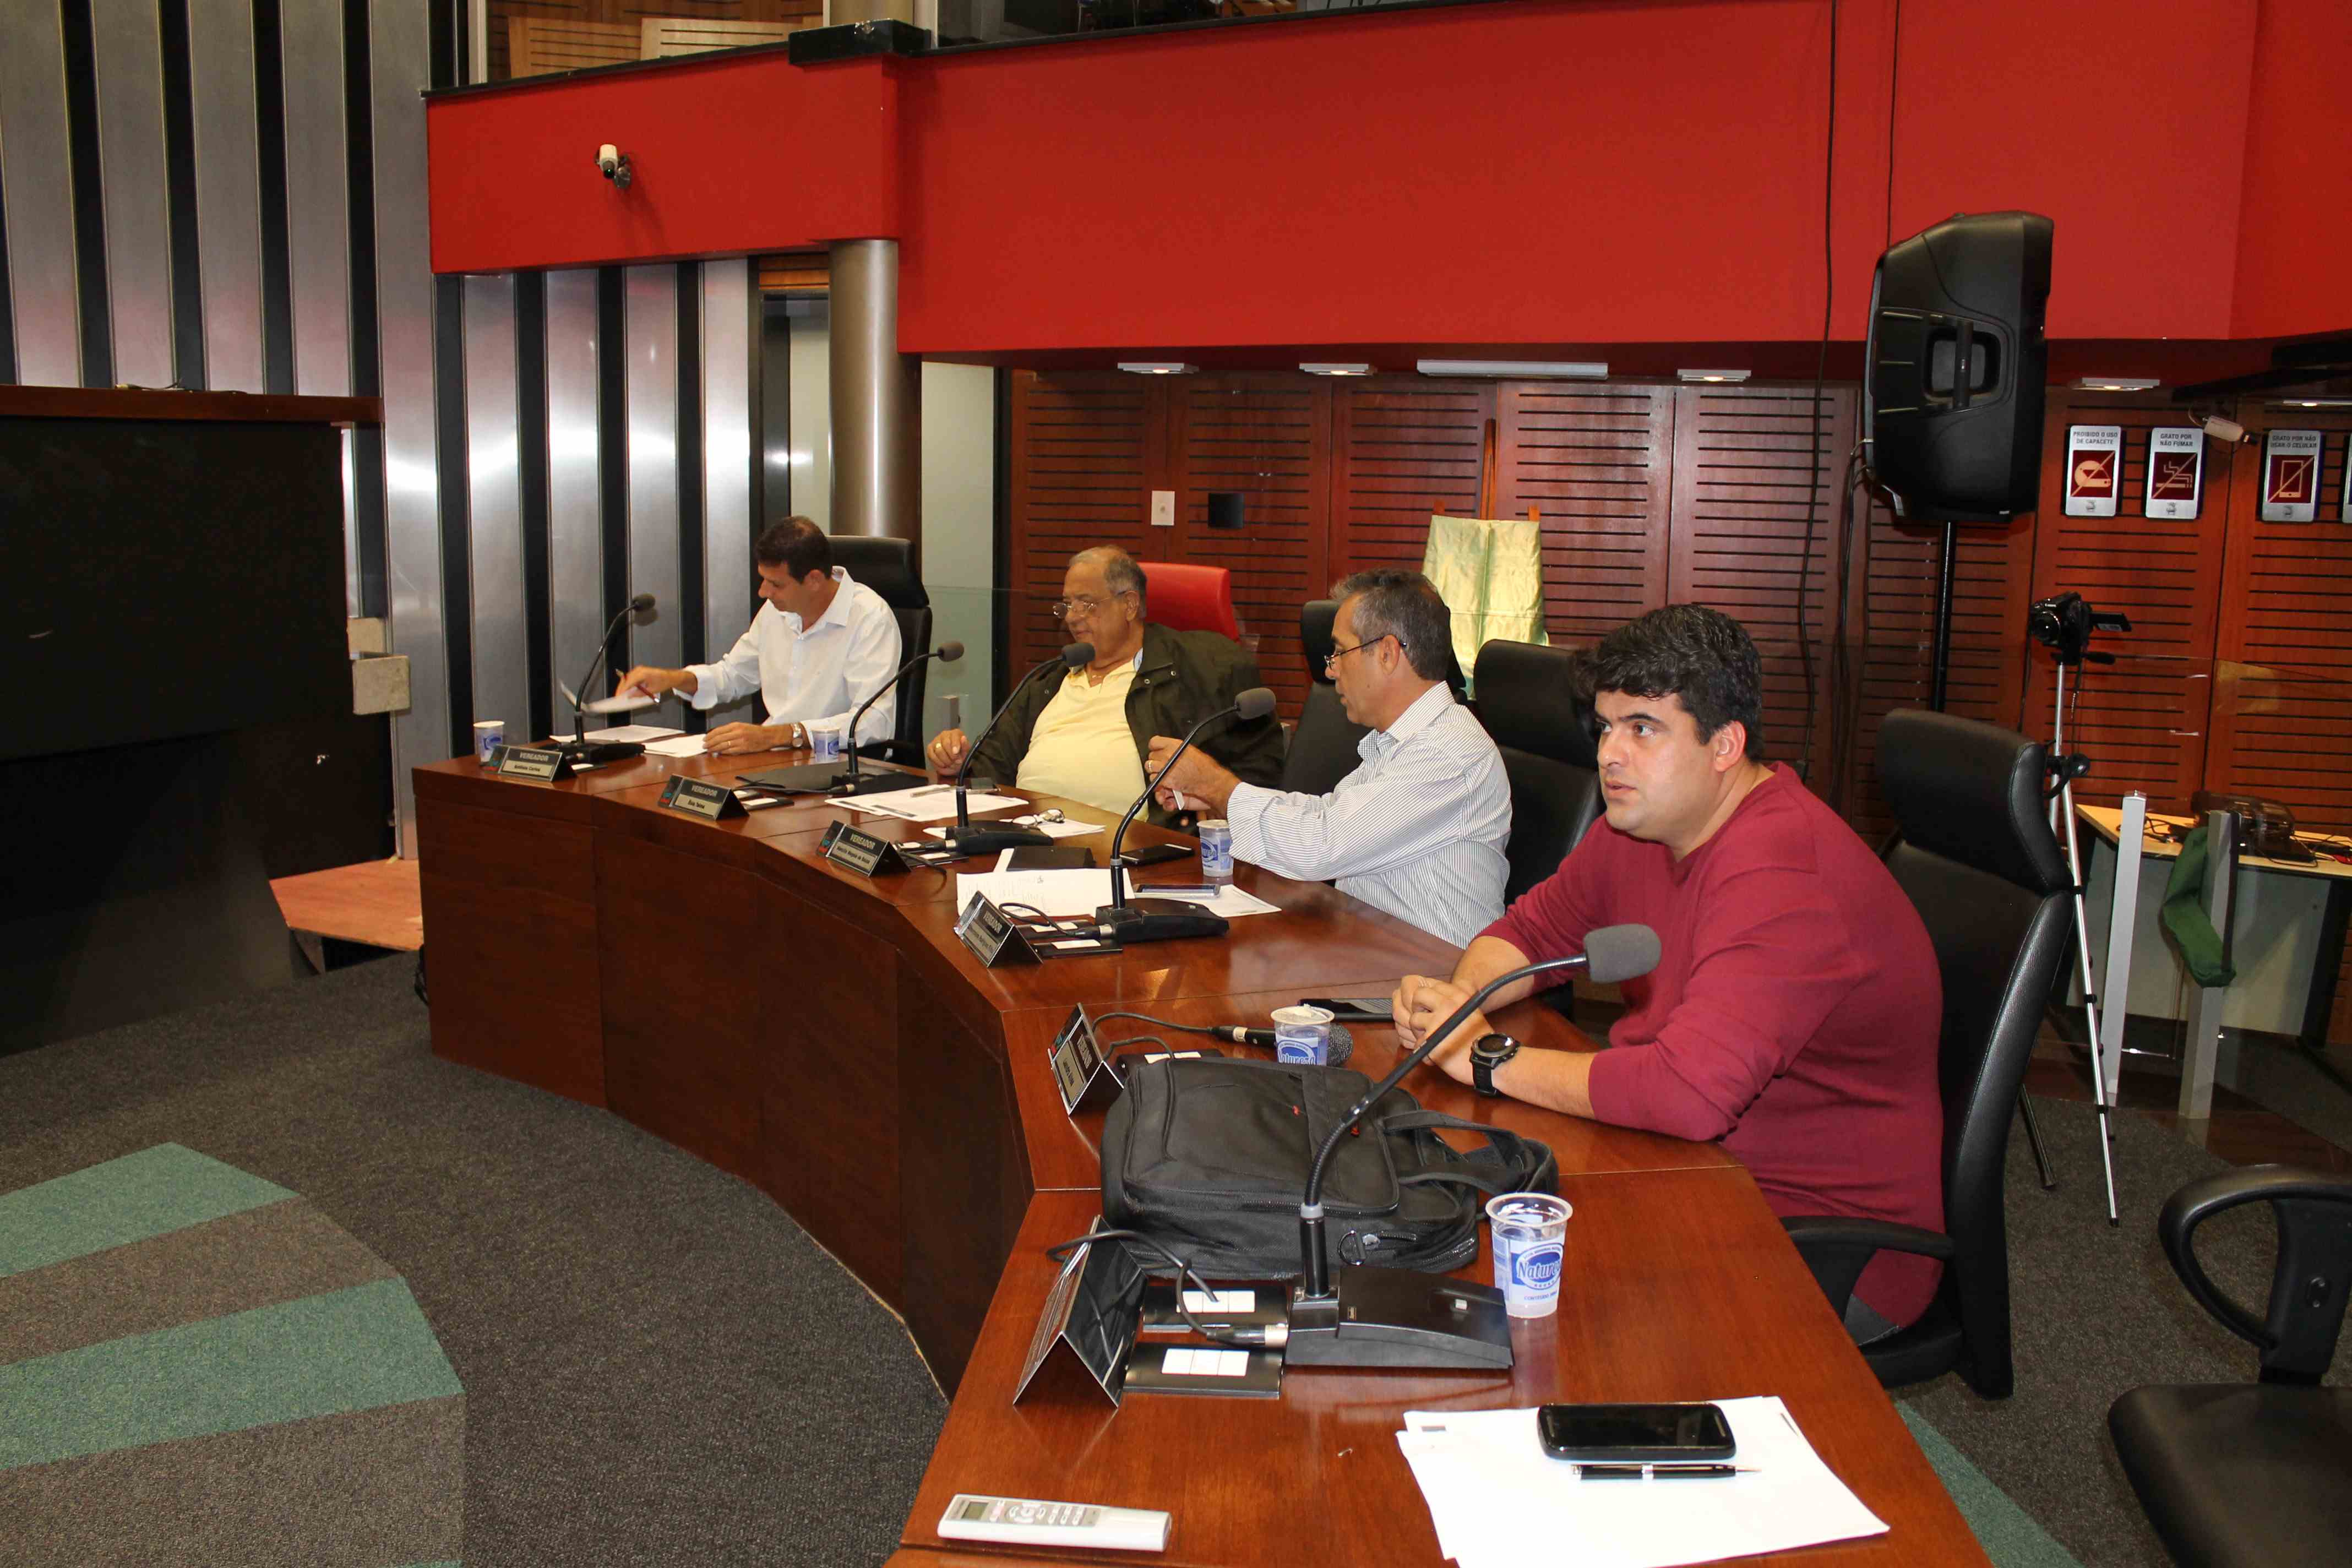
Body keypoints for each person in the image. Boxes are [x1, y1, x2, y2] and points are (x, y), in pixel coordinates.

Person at [1388, 605, 1943, 1342]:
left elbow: (1688, 1094)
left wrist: (1488, 1058)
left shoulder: (1783, 875)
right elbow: (1529, 932)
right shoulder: (1642, 827)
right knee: (1432, 1227)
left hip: (1809, 1241)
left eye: (1643, 728)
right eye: (1605, 727)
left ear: (1725, 745)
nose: (1610, 755)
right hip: (1676, 1168)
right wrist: (1465, 1001)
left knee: (1504, 1300)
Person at [1143, 569, 1509, 945]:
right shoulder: (1403, 740)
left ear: (1387, 653)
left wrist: (1218, 786)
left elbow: (1321, 846)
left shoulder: (1446, 751)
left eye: (1339, 652)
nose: (1330, 670)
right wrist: (1220, 798)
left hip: (1435, 973)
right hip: (1373, 953)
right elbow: (1324, 814)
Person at [923, 547, 1284, 820]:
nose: (1073, 618)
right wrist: (960, 764)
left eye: (1087, 604)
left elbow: (1258, 772)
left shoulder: (1203, 667)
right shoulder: (1048, 680)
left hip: (1135, 851)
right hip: (1029, 837)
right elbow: (992, 770)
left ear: (1129, 605)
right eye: (1067, 605)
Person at [615, 518, 901, 757]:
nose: (763, 592)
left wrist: (779, 735)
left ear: (814, 580)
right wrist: (672, 679)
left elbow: (874, 721)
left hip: (840, 763)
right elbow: (734, 675)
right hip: (777, 759)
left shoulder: (870, 618)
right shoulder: (776, 610)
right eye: (763, 579)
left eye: (775, 584)